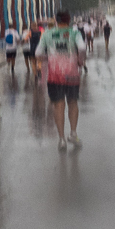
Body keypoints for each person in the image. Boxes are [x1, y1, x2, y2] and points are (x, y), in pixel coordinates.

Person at [37, 10, 86, 150]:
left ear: (57, 21)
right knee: (72, 102)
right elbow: (82, 47)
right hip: (72, 74)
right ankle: (73, 133)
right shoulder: (74, 33)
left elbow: (37, 53)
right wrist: (80, 61)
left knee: (58, 105)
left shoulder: (47, 34)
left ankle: (61, 139)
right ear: (69, 20)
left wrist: (49, 58)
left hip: (54, 75)